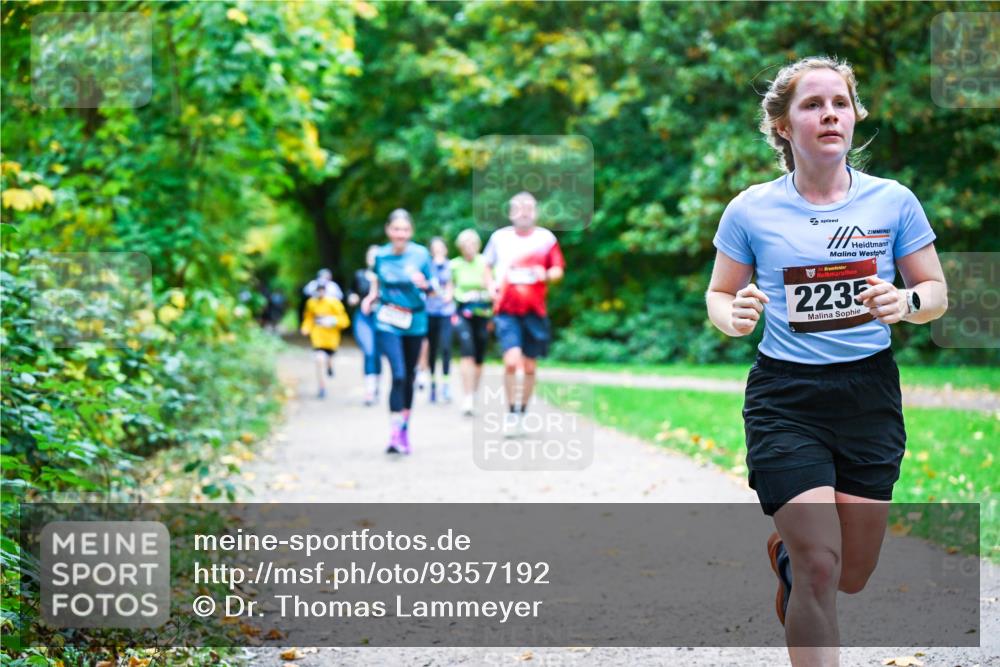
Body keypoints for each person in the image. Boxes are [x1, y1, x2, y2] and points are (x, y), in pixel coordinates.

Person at [705, 56, 947, 667]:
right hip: (785, 397)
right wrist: (731, 314)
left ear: (854, 113)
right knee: (821, 564)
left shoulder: (893, 202)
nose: (829, 114)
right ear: (784, 126)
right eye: (812, 105)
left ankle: (787, 560)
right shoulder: (751, 209)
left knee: (851, 573)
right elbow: (719, 292)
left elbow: (935, 292)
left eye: (839, 102)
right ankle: (801, 561)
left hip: (867, 394)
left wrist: (905, 300)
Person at [483, 191, 565, 433]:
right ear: (510, 213)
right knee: (511, 362)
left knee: (529, 366)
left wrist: (546, 274)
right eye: (518, 208)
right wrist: (490, 286)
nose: (524, 212)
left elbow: (558, 269)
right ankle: (510, 413)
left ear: (536, 212)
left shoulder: (545, 239)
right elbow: (486, 266)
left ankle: (522, 411)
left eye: (528, 208)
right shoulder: (499, 238)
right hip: (506, 309)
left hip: (534, 310)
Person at [361, 209, 433, 455]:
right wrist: (370, 298)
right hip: (388, 319)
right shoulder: (380, 256)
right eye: (396, 229)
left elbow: (434, 289)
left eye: (405, 230)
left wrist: (425, 284)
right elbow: (377, 285)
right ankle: (393, 433)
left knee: (410, 376)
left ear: (410, 232)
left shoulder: (421, 254)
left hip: (415, 319)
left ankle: (404, 431)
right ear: (388, 230)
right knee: (399, 374)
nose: (400, 234)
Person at [450, 228, 492, 416]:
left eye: (473, 244)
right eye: (466, 244)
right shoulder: (454, 265)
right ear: (460, 247)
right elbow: (450, 288)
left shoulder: (486, 263)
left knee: (479, 356)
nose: (470, 248)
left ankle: (474, 393)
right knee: (467, 352)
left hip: (483, 313)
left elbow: (493, 285)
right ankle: (467, 397)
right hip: (462, 313)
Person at [300, 282, 351, 399]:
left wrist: (332, 321)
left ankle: (329, 365)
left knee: (327, 358)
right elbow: (308, 318)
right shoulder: (311, 303)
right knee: (319, 359)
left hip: (331, 339)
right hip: (317, 337)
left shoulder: (334, 303)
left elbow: (345, 321)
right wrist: (305, 328)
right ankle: (322, 387)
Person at [421, 236, 456, 404]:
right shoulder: (427, 266)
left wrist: (449, 294)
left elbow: (451, 285)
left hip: (446, 312)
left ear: (445, 249)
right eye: (435, 248)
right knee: (432, 350)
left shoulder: (451, 266)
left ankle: (446, 385)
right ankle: (433, 385)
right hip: (430, 312)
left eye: (440, 247)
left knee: (446, 348)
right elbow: (424, 287)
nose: (438, 250)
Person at [348, 245, 383, 405]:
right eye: (371, 256)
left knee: (377, 353)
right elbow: (350, 291)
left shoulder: (386, 276)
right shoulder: (360, 275)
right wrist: (353, 297)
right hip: (363, 317)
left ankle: (377, 386)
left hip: (382, 318)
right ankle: (369, 390)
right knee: (369, 350)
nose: (373, 259)